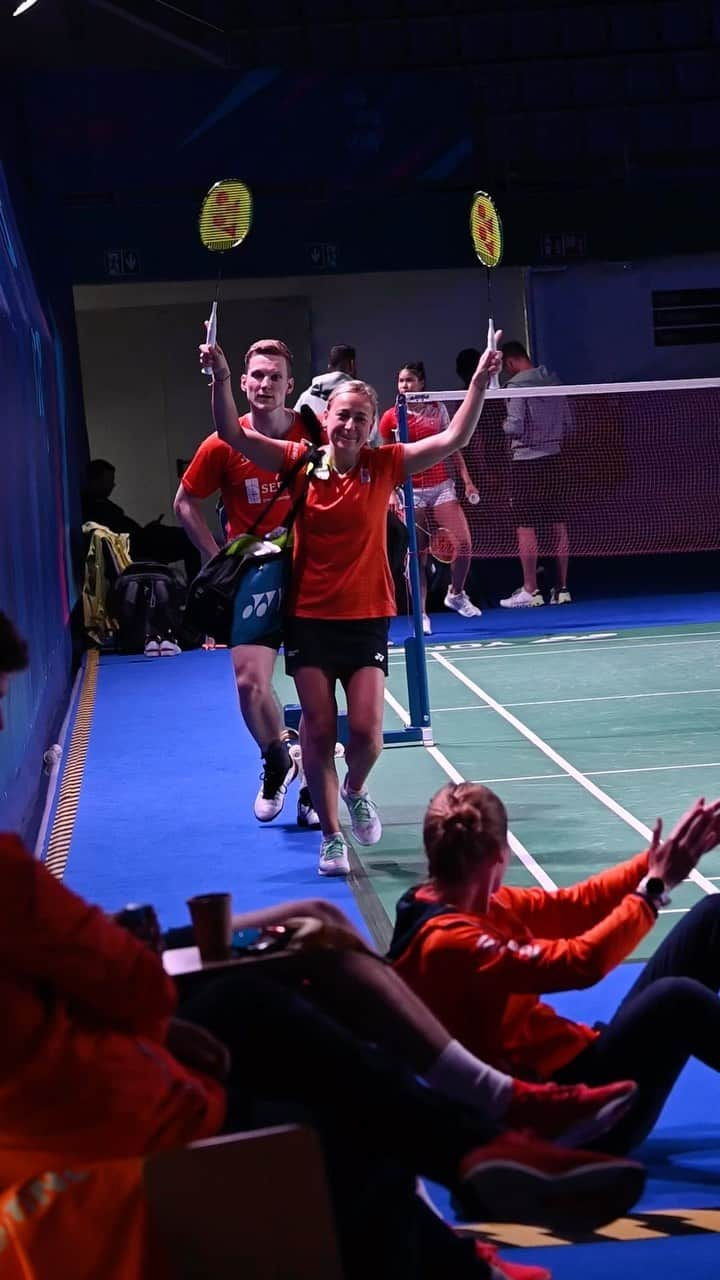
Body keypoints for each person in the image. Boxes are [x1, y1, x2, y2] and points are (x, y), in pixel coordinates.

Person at [0, 616, 646, 1280]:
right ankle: (486, 1135)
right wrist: (653, 887)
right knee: (316, 1080)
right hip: (107, 1108)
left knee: (299, 950)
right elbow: (132, 983)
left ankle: (487, 1141)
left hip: (80, 1076)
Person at [198, 337, 502, 876]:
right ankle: (332, 836)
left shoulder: (385, 465)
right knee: (317, 727)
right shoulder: (300, 461)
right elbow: (229, 432)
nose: (350, 426)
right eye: (343, 416)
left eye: (361, 418)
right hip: (310, 618)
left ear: (371, 424)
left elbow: (457, 436)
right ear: (326, 418)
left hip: (366, 619)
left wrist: (479, 382)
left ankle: (356, 789)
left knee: (366, 733)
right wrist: (221, 374)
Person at [388, 779, 720, 1154]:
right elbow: (581, 964)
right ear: (501, 854)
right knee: (676, 1001)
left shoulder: (476, 902)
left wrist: (656, 861)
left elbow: (575, 907)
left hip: (582, 1062)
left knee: (713, 916)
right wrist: (652, 891)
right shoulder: (449, 943)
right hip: (573, 1123)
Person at [174, 339, 318, 830]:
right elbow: (185, 503)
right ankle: (278, 756)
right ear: (242, 382)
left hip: (308, 574)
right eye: (256, 375)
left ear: (289, 386)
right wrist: (218, 559)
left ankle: (318, 787)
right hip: (252, 574)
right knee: (248, 683)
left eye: (274, 376)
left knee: (315, 687)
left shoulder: (311, 434)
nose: (264, 384)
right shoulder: (223, 444)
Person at [379, 362, 482, 634]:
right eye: (401, 381)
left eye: (409, 380)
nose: (404, 386)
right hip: (410, 490)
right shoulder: (391, 417)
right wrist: (391, 492)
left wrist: (467, 480)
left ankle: (456, 593)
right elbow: (384, 459)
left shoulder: (438, 410)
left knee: (464, 544)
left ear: (421, 384)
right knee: (417, 555)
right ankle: (421, 613)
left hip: (440, 485)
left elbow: (454, 444)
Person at [497, 342, 573, 608]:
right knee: (558, 524)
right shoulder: (555, 381)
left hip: (526, 464)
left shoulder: (516, 387)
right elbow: (569, 423)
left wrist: (501, 425)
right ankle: (562, 589)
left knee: (526, 526)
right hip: (555, 461)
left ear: (509, 363)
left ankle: (531, 590)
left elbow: (515, 426)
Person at [81, 459, 201, 584]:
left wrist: (147, 529)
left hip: (142, 539)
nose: (113, 485)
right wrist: (145, 532)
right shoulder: (93, 508)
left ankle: (196, 585)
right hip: (138, 547)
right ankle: (196, 588)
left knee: (189, 537)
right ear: (96, 481)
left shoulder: (103, 504)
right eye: (109, 481)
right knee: (189, 540)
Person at [294, 343, 357, 418]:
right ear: (351, 365)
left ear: (329, 367)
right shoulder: (362, 399)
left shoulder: (306, 396)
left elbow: (293, 425)